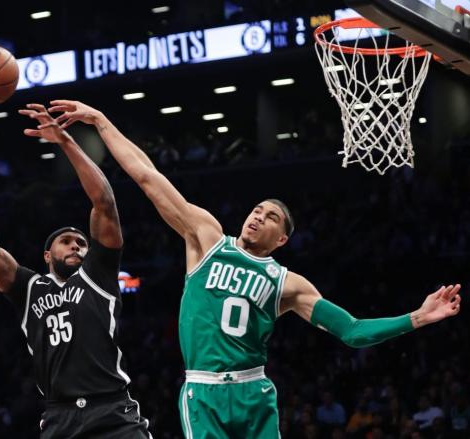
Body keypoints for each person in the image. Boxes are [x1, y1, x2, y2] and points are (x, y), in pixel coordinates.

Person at [41, 99, 462, 439]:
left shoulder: (288, 283)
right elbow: (147, 176)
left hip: (255, 392)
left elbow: (351, 331)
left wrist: (418, 317)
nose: (258, 216)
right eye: (257, 209)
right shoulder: (206, 238)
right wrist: (100, 121)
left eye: (272, 217)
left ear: (282, 240)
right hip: (203, 390)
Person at [0, 103, 152, 439]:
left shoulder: (99, 274)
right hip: (59, 418)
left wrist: (66, 142)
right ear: (47, 254)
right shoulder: (29, 288)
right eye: (67, 241)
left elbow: (104, 202)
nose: (77, 246)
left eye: (81, 242)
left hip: (113, 411)